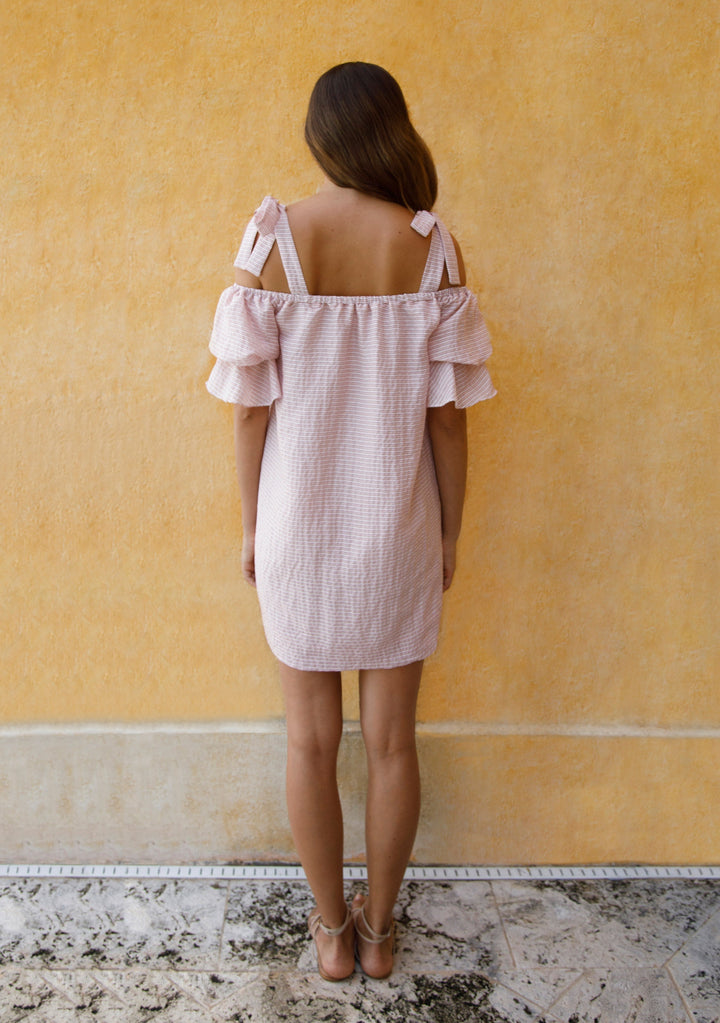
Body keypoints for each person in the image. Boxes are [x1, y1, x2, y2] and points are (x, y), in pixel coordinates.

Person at [206, 62, 495, 981]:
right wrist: (449, 529)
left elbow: (250, 410)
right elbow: (448, 418)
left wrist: (253, 524)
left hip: (299, 527)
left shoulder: (272, 243)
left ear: (321, 137)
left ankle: (329, 931)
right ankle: (379, 939)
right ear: (391, 131)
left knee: (310, 740)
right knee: (394, 742)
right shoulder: (432, 247)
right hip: (396, 529)